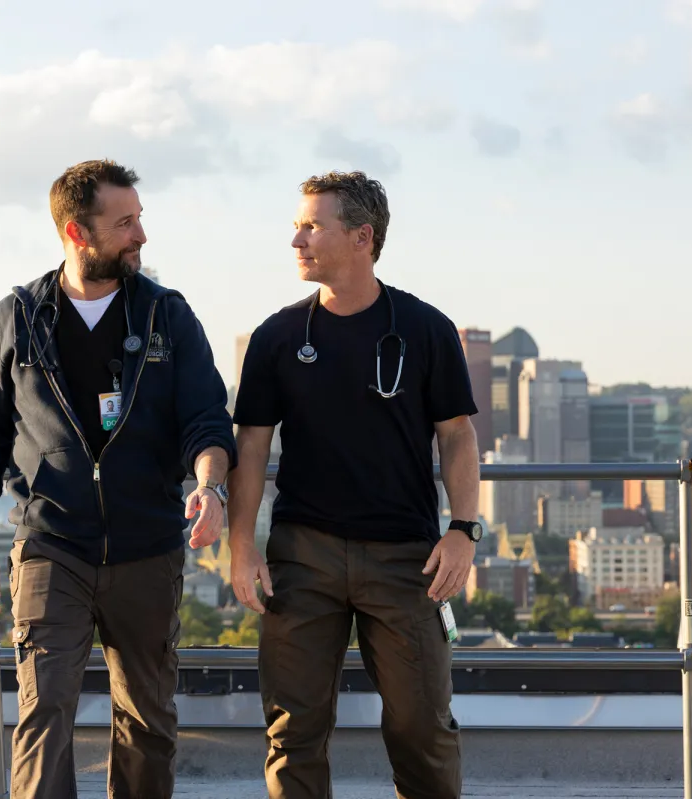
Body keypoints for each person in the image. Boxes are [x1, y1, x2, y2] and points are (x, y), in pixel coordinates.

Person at [0, 158, 236, 799]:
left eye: (139, 218)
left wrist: (209, 486)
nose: (141, 235)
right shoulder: (18, 317)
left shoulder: (166, 315)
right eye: (125, 223)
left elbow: (206, 419)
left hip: (148, 546)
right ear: (77, 233)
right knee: (44, 712)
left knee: (148, 718)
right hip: (50, 545)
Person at [227, 170, 481, 799]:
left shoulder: (425, 329)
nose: (297, 241)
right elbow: (251, 446)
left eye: (312, 227)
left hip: (406, 557)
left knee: (423, 725)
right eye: (297, 227)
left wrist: (463, 530)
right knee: (293, 728)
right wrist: (241, 544)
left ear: (363, 237)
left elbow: (457, 434)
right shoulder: (277, 336)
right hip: (302, 554)